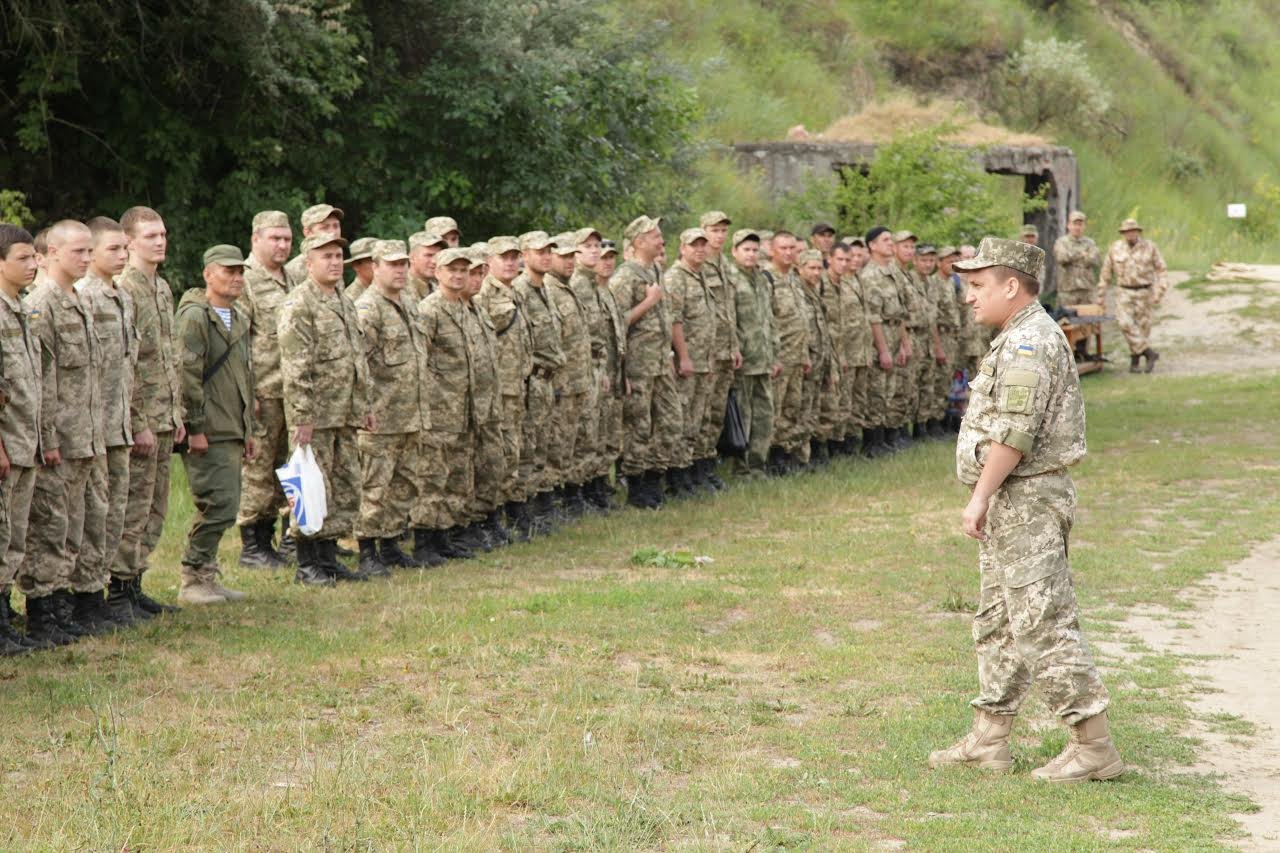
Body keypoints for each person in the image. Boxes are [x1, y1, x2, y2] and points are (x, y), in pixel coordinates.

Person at [929, 236, 1123, 784]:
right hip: (1013, 498)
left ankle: (1094, 745)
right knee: (999, 620)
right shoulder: (1016, 336)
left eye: (978, 285)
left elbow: (1015, 433)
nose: (969, 295)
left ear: (1011, 286)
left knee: (1042, 622)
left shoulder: (1030, 342)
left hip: (1028, 500)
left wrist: (979, 496)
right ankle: (989, 738)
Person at [22, 220, 106, 644]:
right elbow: (41, 379)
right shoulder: (42, 304)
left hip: (84, 436)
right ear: (51, 253)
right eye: (78, 251)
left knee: (74, 526)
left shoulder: (81, 299)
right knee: (50, 527)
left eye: (90, 251)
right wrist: (48, 438)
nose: (87, 258)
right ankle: (41, 613)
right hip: (59, 438)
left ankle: (61, 605)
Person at [278, 233, 373, 585]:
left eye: (337, 256)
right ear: (309, 264)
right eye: (326, 256)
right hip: (316, 417)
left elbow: (356, 358)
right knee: (309, 488)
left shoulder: (343, 300)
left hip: (344, 412)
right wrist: (302, 417)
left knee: (343, 486)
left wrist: (363, 404)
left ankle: (328, 558)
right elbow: (295, 366)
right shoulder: (299, 304)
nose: (334, 262)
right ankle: (307, 564)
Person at [173, 245, 256, 604]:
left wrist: (248, 429)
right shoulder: (196, 317)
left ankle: (206, 573)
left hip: (230, 424)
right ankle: (192, 578)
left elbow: (245, 376)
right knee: (217, 504)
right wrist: (195, 427)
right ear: (208, 274)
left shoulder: (238, 316)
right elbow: (187, 374)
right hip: (208, 426)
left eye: (240, 272)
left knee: (228, 503)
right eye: (228, 271)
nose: (236, 278)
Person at [115, 205, 185, 615]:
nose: (160, 242)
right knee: (134, 507)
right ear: (129, 242)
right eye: (150, 236)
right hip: (141, 419)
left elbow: (167, 357)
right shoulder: (126, 288)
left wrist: (176, 413)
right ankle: (118, 589)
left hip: (163, 416)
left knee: (156, 508)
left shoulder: (161, 287)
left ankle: (136, 583)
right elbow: (129, 364)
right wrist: (138, 421)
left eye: (162, 235)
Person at [353, 240, 436, 573]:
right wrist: (364, 408)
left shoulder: (409, 304)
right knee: (374, 487)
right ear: (375, 267)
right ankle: (366, 550)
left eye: (403, 264)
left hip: (411, 414)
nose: (400, 270)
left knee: (405, 484)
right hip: (381, 416)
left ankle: (390, 544)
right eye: (392, 264)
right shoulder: (367, 309)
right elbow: (358, 365)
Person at [76, 217, 138, 629]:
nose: (121, 255)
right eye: (112, 249)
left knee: (113, 514)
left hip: (119, 424)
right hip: (92, 427)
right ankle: (83, 598)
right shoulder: (85, 296)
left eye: (123, 248)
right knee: (92, 515)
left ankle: (102, 593)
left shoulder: (122, 295)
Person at [237, 211, 297, 568]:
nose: (282, 245)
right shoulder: (245, 281)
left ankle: (285, 537)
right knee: (258, 470)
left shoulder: (293, 278)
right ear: (255, 239)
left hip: (292, 392)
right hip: (263, 391)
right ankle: (253, 545)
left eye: (287, 239)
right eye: (275, 238)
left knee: (287, 469)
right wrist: (248, 395)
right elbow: (238, 342)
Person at [417, 248, 484, 559]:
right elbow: (421, 360)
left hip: (464, 406)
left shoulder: (464, 308)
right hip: (439, 407)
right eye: (452, 269)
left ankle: (448, 534)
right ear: (438, 273)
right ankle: (425, 540)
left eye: (463, 270)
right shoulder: (429, 310)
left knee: (457, 473)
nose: (458, 275)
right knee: (433, 475)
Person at [611, 216, 681, 508]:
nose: (661, 240)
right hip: (638, 365)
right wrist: (648, 302)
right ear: (639, 242)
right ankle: (637, 486)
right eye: (655, 236)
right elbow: (617, 323)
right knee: (638, 427)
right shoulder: (624, 277)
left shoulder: (656, 270)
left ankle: (654, 476)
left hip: (660, 362)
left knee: (671, 421)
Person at [0, 224, 44, 653]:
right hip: (6, 444)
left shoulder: (22, 308)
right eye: (23, 258)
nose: (33, 264)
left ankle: (5, 618)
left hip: (25, 442)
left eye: (34, 257)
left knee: (13, 538)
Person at [475, 236, 536, 536]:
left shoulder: (516, 292)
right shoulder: (483, 294)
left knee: (513, 453)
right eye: (504, 257)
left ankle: (507, 510)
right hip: (496, 390)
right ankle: (488, 516)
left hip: (516, 387)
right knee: (495, 455)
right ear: (489, 262)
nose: (511, 263)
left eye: (514, 257)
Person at [512, 231, 565, 529]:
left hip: (547, 381)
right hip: (530, 381)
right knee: (527, 448)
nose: (546, 256)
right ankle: (520, 511)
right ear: (525, 255)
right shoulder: (519, 291)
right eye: (539, 251)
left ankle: (537, 505)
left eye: (548, 251)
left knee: (542, 445)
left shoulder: (545, 289)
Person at [546, 233, 596, 514]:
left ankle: (572, 497)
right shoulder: (550, 290)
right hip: (560, 384)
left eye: (571, 256)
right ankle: (554, 502)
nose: (569, 262)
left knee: (574, 442)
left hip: (579, 380)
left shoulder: (569, 288)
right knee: (556, 445)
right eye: (562, 256)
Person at [664, 228, 716, 496]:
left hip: (703, 360)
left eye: (703, 245)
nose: (700, 249)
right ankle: (676, 476)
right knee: (682, 419)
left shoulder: (701, 275)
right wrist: (683, 356)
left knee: (698, 420)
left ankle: (691, 471)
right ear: (682, 248)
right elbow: (675, 320)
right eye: (694, 245)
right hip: (687, 362)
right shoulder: (676, 277)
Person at [726, 230, 780, 476]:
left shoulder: (762, 279)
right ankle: (741, 467)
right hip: (744, 360)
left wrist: (775, 354)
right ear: (734, 251)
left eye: (754, 250)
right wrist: (734, 349)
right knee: (743, 415)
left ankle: (758, 463)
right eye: (746, 250)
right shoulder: (730, 279)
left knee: (764, 414)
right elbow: (729, 321)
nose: (750, 254)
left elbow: (770, 319)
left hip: (764, 358)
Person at [696, 212, 740, 491]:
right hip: (706, 352)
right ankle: (696, 467)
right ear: (703, 230)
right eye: (715, 230)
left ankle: (709, 463)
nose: (720, 235)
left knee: (716, 412)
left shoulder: (726, 266)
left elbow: (729, 312)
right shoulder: (698, 265)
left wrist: (734, 346)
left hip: (726, 351)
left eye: (723, 230)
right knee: (700, 413)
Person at [859, 226, 909, 457]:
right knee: (877, 390)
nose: (891, 243)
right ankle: (872, 442)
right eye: (886, 240)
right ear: (872, 245)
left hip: (894, 332)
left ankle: (886, 438)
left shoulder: (892, 272)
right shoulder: (870, 275)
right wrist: (883, 350)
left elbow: (899, 312)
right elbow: (873, 317)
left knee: (890, 389)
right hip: (879, 337)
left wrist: (904, 344)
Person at [1097, 218, 1167, 373]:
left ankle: (1135, 363)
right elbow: (1106, 272)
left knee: (1143, 328)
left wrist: (1160, 290)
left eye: (1133, 231)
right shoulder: (1115, 248)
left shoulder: (1150, 247)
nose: (1130, 234)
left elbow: (1161, 269)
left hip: (1145, 292)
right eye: (1127, 232)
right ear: (1123, 233)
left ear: (1138, 232)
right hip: (1124, 292)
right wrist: (1101, 294)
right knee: (1125, 324)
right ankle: (1149, 353)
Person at [767, 230, 810, 472]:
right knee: (774, 411)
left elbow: (801, 320)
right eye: (783, 248)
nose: (788, 252)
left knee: (792, 409)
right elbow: (766, 322)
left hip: (797, 356)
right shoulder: (767, 279)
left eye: (792, 248)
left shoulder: (794, 278)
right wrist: (772, 358)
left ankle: (786, 454)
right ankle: (771, 458)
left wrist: (805, 355)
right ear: (772, 250)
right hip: (780, 358)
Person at [795, 249, 835, 465]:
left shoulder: (816, 291)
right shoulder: (797, 291)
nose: (816, 272)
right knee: (801, 410)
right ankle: (799, 457)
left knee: (813, 409)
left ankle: (810, 454)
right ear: (800, 269)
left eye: (819, 268)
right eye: (811, 268)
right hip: (805, 360)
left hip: (820, 360)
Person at [284, 203, 343, 283]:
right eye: (325, 228)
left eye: (336, 226)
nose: (332, 232)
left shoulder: (336, 263)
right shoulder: (294, 270)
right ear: (308, 232)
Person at [1052, 211, 1100, 309]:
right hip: (1067, 291)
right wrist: (1082, 254)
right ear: (1068, 225)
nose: (1077, 227)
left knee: (1087, 318)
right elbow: (1062, 258)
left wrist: (1072, 256)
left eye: (1080, 224)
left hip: (1086, 290)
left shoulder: (1090, 243)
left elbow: (1094, 260)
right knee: (1066, 318)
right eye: (1074, 224)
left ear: (1084, 226)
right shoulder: (1061, 242)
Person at [344, 237, 378, 301]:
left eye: (381, 260)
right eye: (372, 260)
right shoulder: (350, 299)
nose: (378, 265)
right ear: (356, 266)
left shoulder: (390, 290)